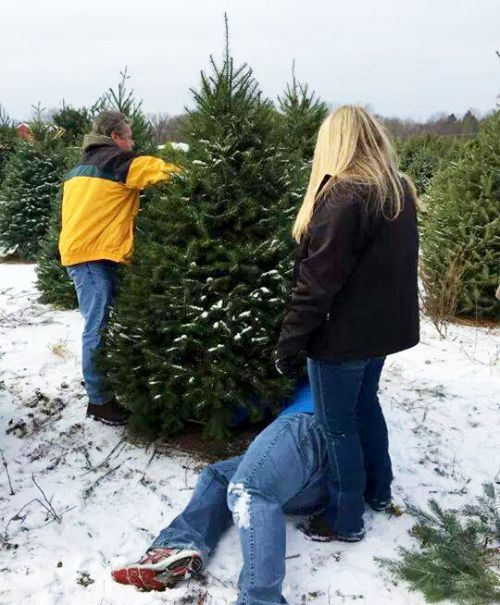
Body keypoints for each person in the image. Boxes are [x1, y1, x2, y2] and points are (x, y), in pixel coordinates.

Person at [275, 106, 419, 542]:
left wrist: (289, 342)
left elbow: (317, 283)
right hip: (378, 332)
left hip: (342, 337)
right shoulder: (397, 189)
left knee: (337, 425)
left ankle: (345, 517)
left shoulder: (344, 197)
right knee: (364, 407)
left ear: (333, 143)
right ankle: (379, 491)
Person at [111, 383, 331, 604]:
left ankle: (260, 601)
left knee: (249, 489)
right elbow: (254, 402)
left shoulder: (315, 366)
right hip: (310, 486)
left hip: (309, 425)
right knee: (218, 476)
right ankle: (180, 543)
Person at [59, 111, 181, 425]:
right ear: (115, 137)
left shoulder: (79, 168)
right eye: (129, 136)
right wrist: (196, 171)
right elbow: (158, 170)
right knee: (96, 327)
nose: (133, 141)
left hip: (87, 252)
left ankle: (103, 382)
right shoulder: (117, 161)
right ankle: (99, 402)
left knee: (101, 324)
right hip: (91, 257)